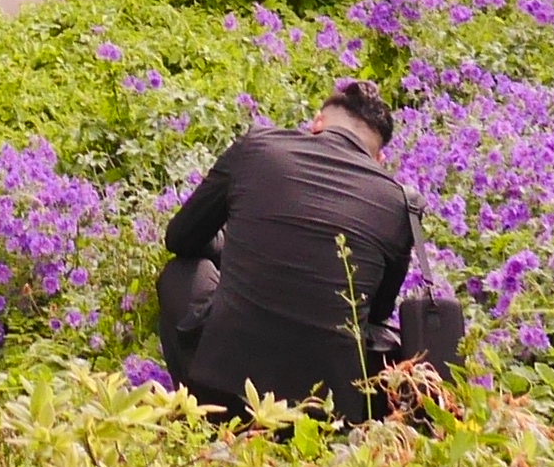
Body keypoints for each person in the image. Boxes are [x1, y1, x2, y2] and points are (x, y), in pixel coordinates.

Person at [155, 78, 420, 425]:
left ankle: (196, 407)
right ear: (379, 158)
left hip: (223, 388)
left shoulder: (257, 147)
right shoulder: (402, 203)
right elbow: (376, 311)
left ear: (317, 124)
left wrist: (229, 247)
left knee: (181, 272)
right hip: (326, 411)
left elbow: (180, 238)